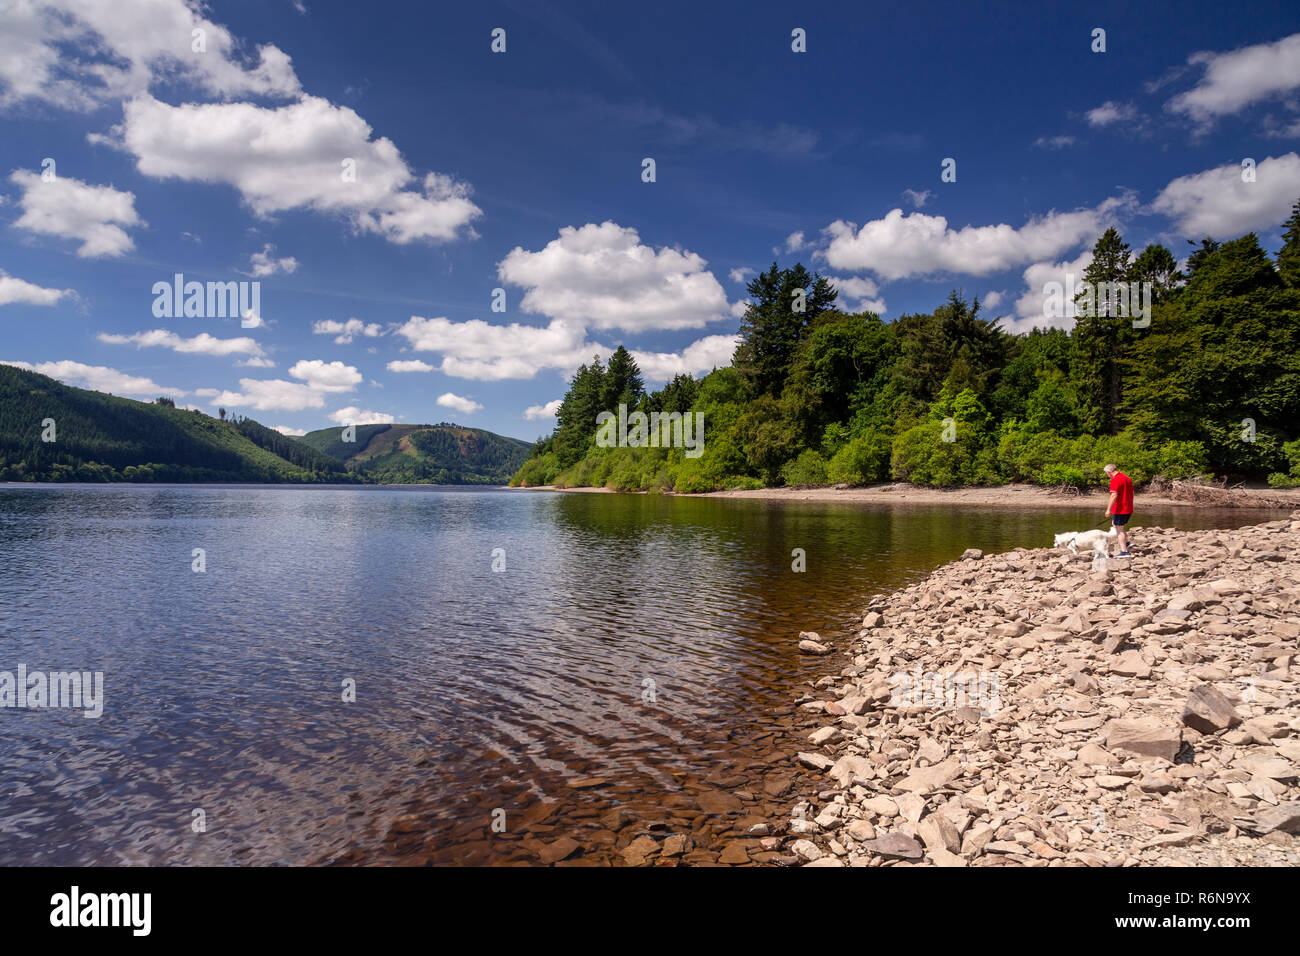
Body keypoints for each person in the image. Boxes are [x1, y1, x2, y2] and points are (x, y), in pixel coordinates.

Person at [1103, 464, 1133, 557]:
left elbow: (1114, 495)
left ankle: (1124, 552)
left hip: (1121, 508)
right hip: (1128, 507)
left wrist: (1108, 509)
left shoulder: (1115, 479)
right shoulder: (1127, 478)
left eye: (1107, 474)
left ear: (1109, 472)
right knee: (1115, 524)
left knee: (1120, 529)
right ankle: (1127, 542)